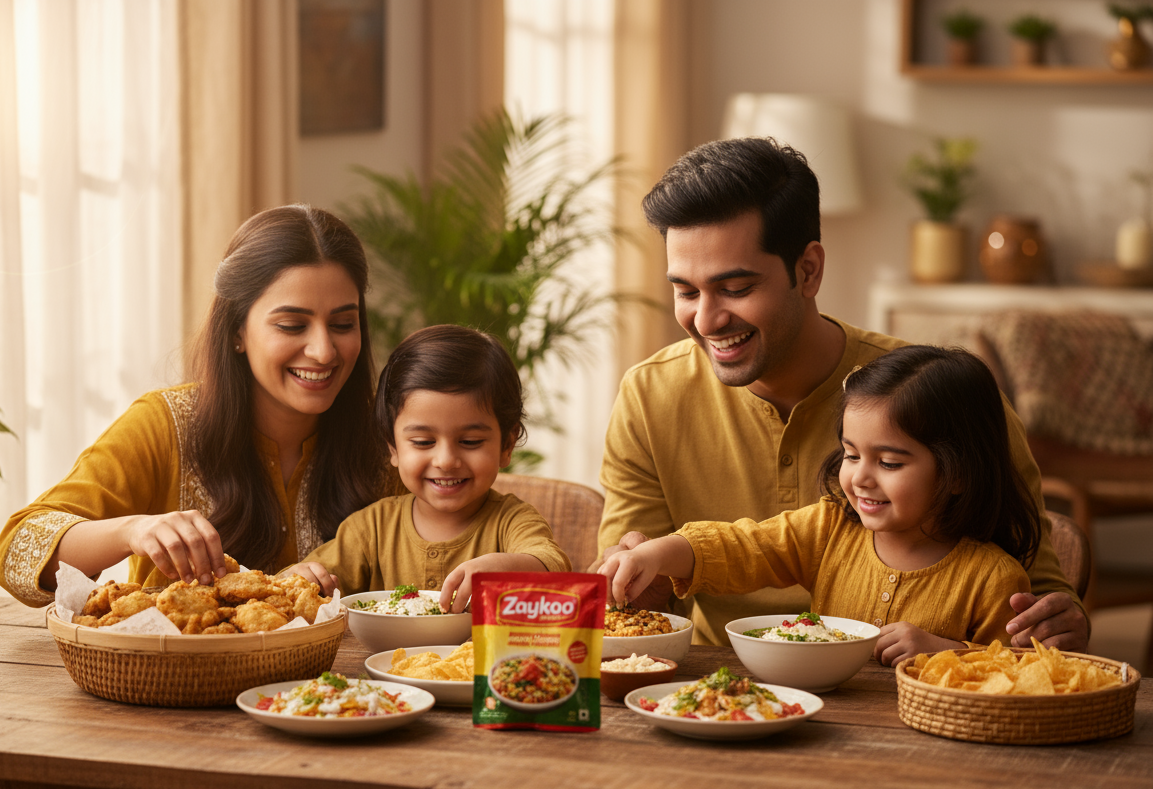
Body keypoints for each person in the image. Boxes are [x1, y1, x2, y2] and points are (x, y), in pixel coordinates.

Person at [598, 137, 1089, 651]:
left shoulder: (946, 399)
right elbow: (642, 601)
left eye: (736, 288)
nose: (705, 320)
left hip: (912, 693)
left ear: (808, 270)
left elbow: (1040, 596)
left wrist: (1056, 621)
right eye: (686, 291)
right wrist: (632, 574)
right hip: (723, 687)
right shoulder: (649, 395)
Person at [0, 205, 388, 606]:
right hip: (177, 669)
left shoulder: (391, 439)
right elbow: (18, 549)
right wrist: (132, 531)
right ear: (237, 330)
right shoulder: (164, 425)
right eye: (291, 326)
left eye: (343, 325)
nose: (323, 351)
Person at [600, 345, 1041, 665]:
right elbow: (744, 547)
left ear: (958, 472)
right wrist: (658, 553)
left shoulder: (995, 578)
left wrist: (945, 653)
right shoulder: (831, 528)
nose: (860, 477)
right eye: (851, 455)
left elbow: (1017, 670)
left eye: (888, 461)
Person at [288, 325, 572, 612]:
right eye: (423, 442)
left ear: (507, 445)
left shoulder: (513, 521)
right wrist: (298, 577)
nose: (446, 460)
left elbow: (554, 568)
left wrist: (504, 568)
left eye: (470, 441)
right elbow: (302, 582)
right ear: (393, 446)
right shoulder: (369, 529)